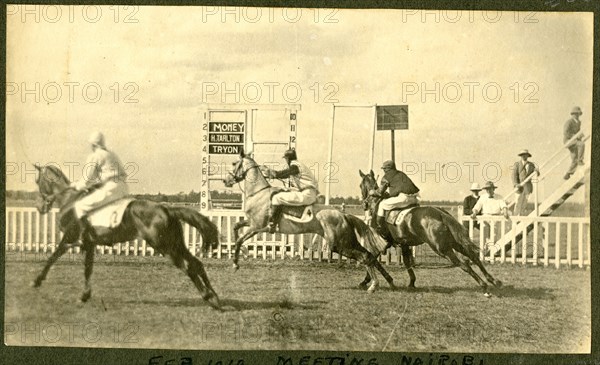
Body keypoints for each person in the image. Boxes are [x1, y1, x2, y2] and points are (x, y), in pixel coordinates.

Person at [70, 131, 129, 242]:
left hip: (111, 188)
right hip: (123, 188)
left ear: (93, 144)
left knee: (79, 206)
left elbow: (86, 180)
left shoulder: (95, 156)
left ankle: (84, 237)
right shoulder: (111, 154)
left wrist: (75, 186)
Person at [262, 149, 319, 233]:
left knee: (276, 198)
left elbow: (282, 174)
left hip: (307, 194)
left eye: (285, 159)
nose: (286, 161)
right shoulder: (298, 165)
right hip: (307, 192)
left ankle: (272, 225)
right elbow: (286, 176)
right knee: (281, 191)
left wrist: (269, 172)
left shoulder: (295, 166)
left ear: (288, 158)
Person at [370, 160, 420, 236]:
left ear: (387, 169)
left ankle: (380, 227)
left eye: (384, 169)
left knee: (382, 204)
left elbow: (379, 192)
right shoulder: (401, 173)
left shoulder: (386, 176)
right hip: (415, 198)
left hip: (404, 198)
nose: (383, 170)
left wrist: (372, 192)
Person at [512, 149, 539, 216]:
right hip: (519, 187)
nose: (524, 156)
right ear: (520, 156)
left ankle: (521, 219)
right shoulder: (517, 164)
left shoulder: (531, 165)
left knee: (524, 203)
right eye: (522, 155)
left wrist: (536, 171)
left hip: (527, 187)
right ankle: (515, 220)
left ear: (528, 156)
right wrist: (516, 184)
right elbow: (514, 175)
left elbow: (537, 174)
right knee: (518, 203)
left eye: (525, 155)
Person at [563, 106, 585, 180]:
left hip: (575, 141)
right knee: (581, 144)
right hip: (568, 141)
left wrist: (580, 135)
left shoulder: (578, 122)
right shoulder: (569, 122)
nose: (577, 115)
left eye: (578, 114)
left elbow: (578, 132)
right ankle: (580, 160)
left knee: (574, 158)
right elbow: (565, 133)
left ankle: (568, 173)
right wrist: (575, 136)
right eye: (576, 114)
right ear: (573, 114)